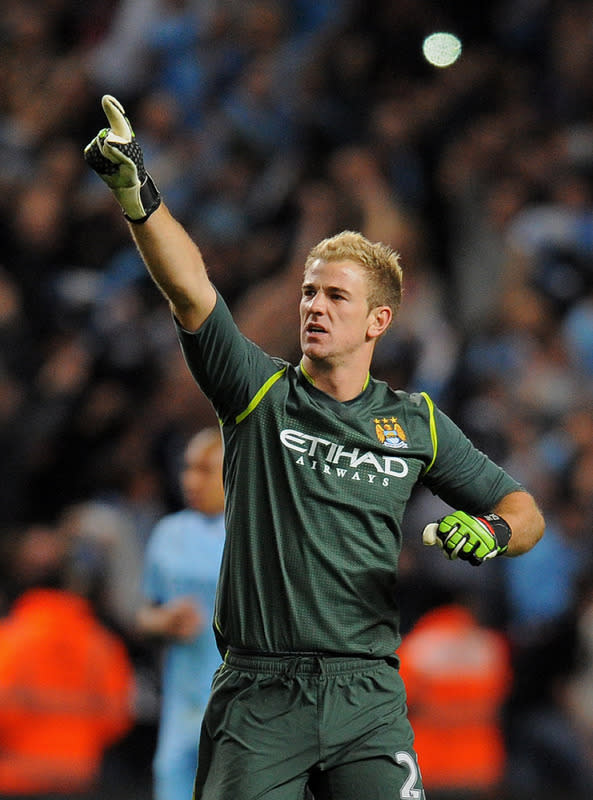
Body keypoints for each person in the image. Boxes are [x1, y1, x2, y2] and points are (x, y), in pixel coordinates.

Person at [84, 95, 545, 800]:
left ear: (378, 320)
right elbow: (191, 292)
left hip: (367, 695)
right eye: (307, 293)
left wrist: (492, 531)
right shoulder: (257, 392)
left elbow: (523, 510)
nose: (313, 307)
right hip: (260, 692)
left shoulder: (415, 421)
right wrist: (137, 195)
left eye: (334, 296)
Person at [0, 522, 134, 798]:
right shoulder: (102, 644)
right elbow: (117, 718)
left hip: (14, 780)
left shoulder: (9, 640)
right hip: (80, 778)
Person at [136, 427, 226, 800]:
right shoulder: (168, 533)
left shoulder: (258, 533)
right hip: (181, 706)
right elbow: (145, 613)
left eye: (205, 470)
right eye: (188, 468)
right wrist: (164, 621)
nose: (191, 480)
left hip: (240, 707)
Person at [397, 590, 513, 800]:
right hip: (478, 765)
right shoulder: (491, 646)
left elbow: (399, 707)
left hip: (428, 763)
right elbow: (496, 704)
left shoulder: (414, 648)